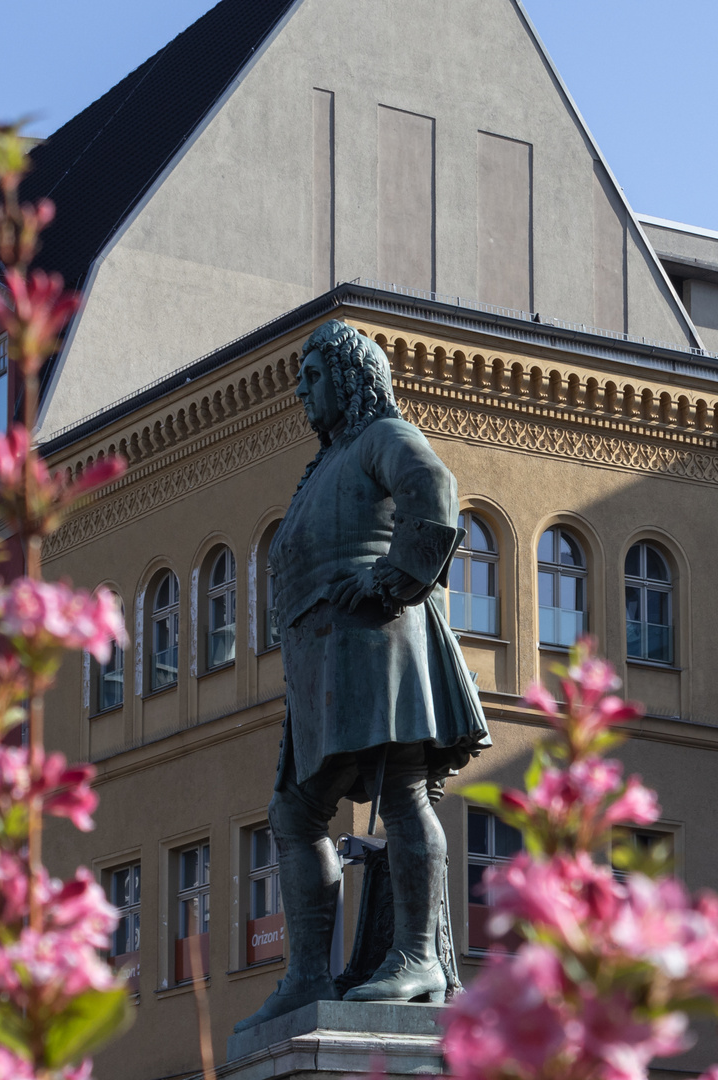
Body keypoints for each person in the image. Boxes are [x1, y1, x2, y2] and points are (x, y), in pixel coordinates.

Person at [236, 320, 489, 1032]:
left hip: (379, 642)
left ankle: (418, 957)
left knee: (402, 788)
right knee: (293, 813)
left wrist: (390, 580)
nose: (301, 391)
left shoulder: (382, 436)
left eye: (313, 377)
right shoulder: (329, 462)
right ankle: (308, 974)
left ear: (348, 377)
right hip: (323, 661)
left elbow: (433, 490)